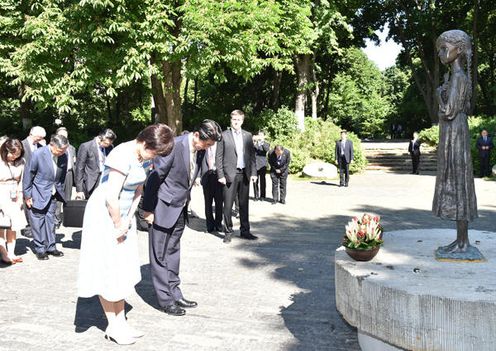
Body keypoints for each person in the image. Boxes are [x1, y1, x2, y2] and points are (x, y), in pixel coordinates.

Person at [77, 124, 174, 345]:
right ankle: (112, 325)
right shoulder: (122, 153)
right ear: (144, 142)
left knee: (120, 268)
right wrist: (118, 224)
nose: (154, 157)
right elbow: (111, 196)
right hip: (105, 215)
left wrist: (130, 218)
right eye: (154, 152)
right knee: (108, 268)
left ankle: (121, 321)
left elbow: (139, 189)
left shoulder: (145, 156)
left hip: (123, 214)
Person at [142, 120, 222, 317]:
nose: (207, 147)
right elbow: (155, 177)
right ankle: (165, 300)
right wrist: (148, 210)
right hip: (162, 208)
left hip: (180, 208)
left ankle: (175, 293)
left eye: (211, 145)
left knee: (173, 252)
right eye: (207, 143)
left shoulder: (200, 150)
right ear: (196, 135)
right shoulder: (174, 146)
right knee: (159, 255)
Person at [433, 29, 477, 253]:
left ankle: (462, 242)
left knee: (459, 184)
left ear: (458, 50)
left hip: (455, 134)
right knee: (459, 183)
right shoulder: (457, 77)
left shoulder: (459, 77)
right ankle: (461, 240)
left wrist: (439, 95)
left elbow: (449, 110)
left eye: (445, 48)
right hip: (455, 131)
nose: (441, 53)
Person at [22, 134, 69, 260]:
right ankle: (40, 249)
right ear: (51, 145)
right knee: (37, 222)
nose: (62, 153)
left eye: (64, 150)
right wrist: (27, 195)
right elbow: (28, 175)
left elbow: (62, 175)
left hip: (53, 193)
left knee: (51, 222)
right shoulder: (38, 154)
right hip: (38, 192)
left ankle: (51, 247)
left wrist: (59, 189)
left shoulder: (64, 155)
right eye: (60, 150)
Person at [216, 110, 258, 244]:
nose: (236, 122)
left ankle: (245, 231)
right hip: (229, 175)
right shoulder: (224, 135)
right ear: (231, 120)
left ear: (242, 121)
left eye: (239, 120)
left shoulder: (248, 135)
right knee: (227, 205)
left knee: (244, 205)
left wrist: (254, 173)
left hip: (244, 173)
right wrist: (220, 174)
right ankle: (228, 232)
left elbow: (252, 156)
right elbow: (219, 157)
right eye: (234, 119)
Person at [0, 138, 27, 264]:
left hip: (14, 194)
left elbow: (22, 180)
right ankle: (4, 253)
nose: (14, 157)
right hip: (1, 193)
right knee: (2, 225)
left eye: (17, 154)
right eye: (12, 154)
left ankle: (12, 252)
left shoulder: (21, 161)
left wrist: (21, 195)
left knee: (13, 225)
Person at [75, 128, 116, 199]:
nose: (107, 145)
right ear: (100, 138)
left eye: (109, 144)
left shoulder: (110, 147)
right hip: (90, 183)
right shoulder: (86, 146)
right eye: (106, 143)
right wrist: (79, 190)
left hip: (105, 181)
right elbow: (79, 168)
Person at [21, 126, 46, 238]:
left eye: (41, 138)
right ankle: (28, 226)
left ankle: (35, 226)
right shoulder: (21, 145)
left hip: (38, 180)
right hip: (24, 177)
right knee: (26, 201)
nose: (39, 140)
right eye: (38, 137)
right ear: (31, 134)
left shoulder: (41, 146)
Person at [54, 127, 77, 227]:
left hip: (69, 174)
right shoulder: (54, 147)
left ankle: (67, 218)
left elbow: (74, 161)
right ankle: (56, 219)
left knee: (67, 197)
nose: (64, 136)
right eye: (62, 134)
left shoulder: (71, 148)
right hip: (58, 174)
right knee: (58, 197)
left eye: (65, 134)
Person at [201, 142, 223, 233]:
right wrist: (198, 176)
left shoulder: (220, 146)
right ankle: (209, 225)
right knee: (208, 203)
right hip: (206, 177)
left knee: (219, 203)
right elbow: (199, 162)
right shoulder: (203, 147)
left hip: (218, 176)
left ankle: (218, 224)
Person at [252, 131, 270, 201]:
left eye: (261, 135)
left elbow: (266, 149)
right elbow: (251, 150)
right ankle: (256, 196)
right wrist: (254, 142)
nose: (259, 136)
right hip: (255, 165)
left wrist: (262, 142)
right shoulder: (254, 143)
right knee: (255, 181)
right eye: (259, 135)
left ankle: (262, 196)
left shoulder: (266, 144)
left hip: (262, 165)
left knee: (263, 181)